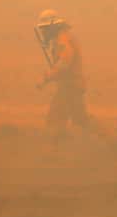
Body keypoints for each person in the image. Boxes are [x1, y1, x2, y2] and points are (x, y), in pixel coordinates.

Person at [35, 9, 96, 141]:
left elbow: (64, 62)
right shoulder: (62, 38)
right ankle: (101, 139)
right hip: (71, 86)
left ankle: (57, 144)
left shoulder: (63, 40)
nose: (43, 32)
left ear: (52, 27)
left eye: (45, 29)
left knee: (55, 119)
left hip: (70, 87)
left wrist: (47, 77)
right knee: (79, 120)